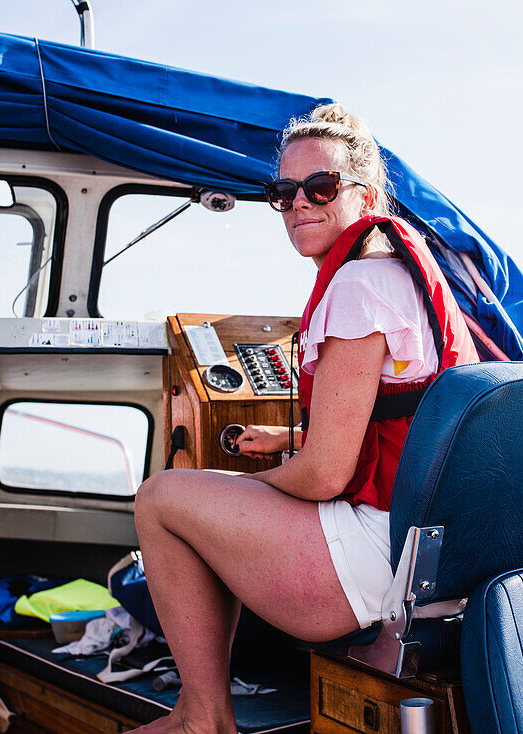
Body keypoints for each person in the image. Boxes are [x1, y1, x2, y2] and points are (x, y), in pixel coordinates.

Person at [130, 104, 479, 734]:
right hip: (436, 541)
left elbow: (321, 478)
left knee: (162, 500)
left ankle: (203, 717)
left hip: (380, 552)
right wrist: (289, 440)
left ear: (367, 195)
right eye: (282, 193)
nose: (298, 206)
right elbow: (398, 416)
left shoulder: (359, 286)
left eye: (320, 189)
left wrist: (247, 484)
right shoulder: (404, 269)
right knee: (211, 503)